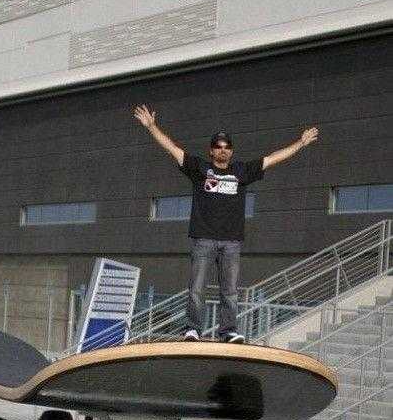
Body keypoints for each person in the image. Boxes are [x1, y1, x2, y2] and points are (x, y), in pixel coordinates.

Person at [134, 104, 318, 343]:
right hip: (203, 239)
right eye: (218, 147)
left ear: (231, 151)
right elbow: (172, 148)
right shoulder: (199, 168)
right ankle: (192, 329)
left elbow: (273, 158)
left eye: (227, 147)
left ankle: (228, 331)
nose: (223, 150)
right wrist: (151, 127)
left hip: (231, 241)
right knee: (197, 288)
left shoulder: (242, 171)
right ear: (211, 151)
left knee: (229, 291)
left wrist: (301, 143)